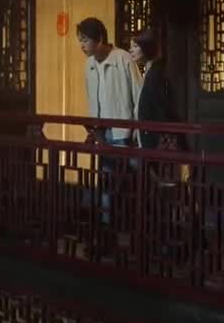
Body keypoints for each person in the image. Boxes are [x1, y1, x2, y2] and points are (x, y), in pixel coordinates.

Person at [77, 17, 141, 224]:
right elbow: (91, 97)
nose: (82, 45)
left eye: (85, 40)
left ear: (100, 38)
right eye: (80, 41)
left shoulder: (123, 59)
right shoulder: (89, 65)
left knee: (126, 182)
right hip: (102, 133)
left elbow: (138, 95)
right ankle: (107, 226)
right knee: (106, 181)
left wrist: (136, 130)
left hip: (124, 132)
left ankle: (127, 226)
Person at [128, 28, 184, 151]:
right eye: (131, 46)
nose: (130, 50)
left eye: (135, 46)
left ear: (147, 47)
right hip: (149, 135)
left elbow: (162, 109)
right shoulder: (150, 71)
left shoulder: (155, 74)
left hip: (155, 139)